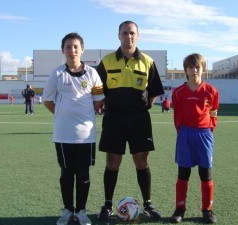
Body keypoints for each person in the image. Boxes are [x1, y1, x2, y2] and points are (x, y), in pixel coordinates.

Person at [96, 20, 164, 221]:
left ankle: (148, 205)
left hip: (139, 119)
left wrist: (141, 107)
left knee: (141, 161)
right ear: (119, 36)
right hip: (114, 119)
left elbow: (153, 93)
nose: (129, 36)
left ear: (138, 35)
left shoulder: (148, 62)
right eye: (125, 33)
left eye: (132, 33)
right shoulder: (107, 61)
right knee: (112, 162)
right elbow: (98, 90)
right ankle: (107, 204)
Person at [43, 32, 104, 225]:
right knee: (66, 174)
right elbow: (47, 100)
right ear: (63, 50)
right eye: (68, 47)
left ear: (82, 49)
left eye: (76, 46)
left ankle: (82, 211)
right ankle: (68, 211)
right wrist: (63, 116)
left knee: (84, 174)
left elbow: (99, 100)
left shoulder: (93, 74)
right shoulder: (57, 73)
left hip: (86, 135)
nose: (72, 50)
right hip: (63, 134)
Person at [170, 53, 219, 224]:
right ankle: (180, 208)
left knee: (205, 173)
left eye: (197, 67)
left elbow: (213, 115)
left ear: (203, 69)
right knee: (183, 173)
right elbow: (177, 117)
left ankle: (207, 209)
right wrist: (182, 132)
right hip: (185, 134)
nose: (194, 70)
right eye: (190, 67)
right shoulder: (178, 93)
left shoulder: (211, 91)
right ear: (186, 70)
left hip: (204, 135)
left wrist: (208, 130)